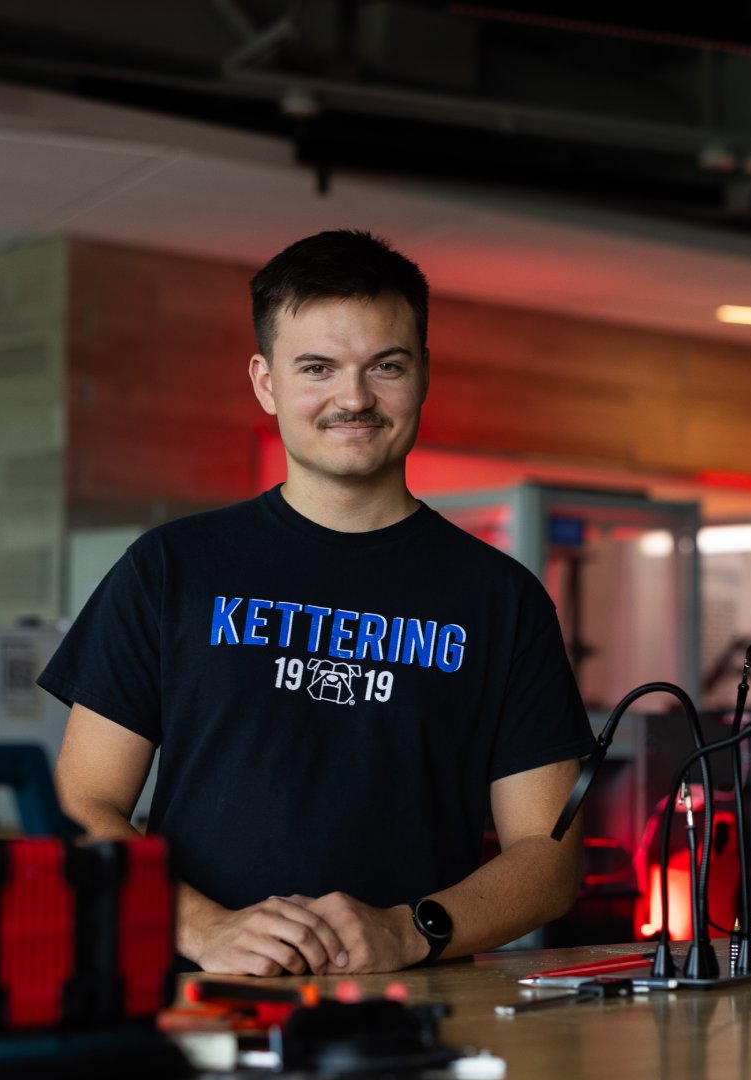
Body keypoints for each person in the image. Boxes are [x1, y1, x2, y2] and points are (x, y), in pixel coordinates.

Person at [39, 230, 593, 977]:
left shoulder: (502, 600)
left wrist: (408, 928)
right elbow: (80, 806)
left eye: (386, 366)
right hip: (203, 1005)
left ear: (424, 373)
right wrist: (207, 931)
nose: (354, 398)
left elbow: (549, 857)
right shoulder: (170, 569)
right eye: (318, 368)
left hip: (415, 1018)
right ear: (266, 382)